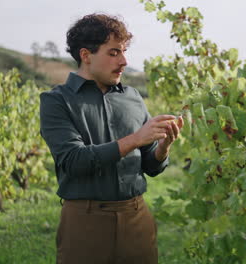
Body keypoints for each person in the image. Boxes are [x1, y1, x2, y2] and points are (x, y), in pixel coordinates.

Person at [39, 13, 183, 264]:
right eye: (114, 52)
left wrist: (163, 146)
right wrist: (136, 139)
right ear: (86, 55)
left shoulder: (133, 98)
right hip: (84, 222)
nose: (124, 61)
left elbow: (150, 166)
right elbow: (74, 160)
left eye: (124, 51)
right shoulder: (56, 101)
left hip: (137, 217)